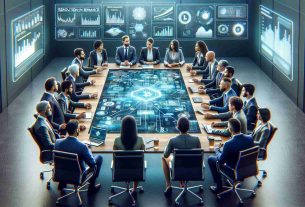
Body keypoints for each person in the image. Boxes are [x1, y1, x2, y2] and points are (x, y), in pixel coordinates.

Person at [55, 120, 103, 194]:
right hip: (78, 176)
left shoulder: (57, 142)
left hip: (61, 173)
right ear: (76, 130)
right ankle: (91, 188)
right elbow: (92, 164)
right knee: (99, 158)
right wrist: (88, 150)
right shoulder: (82, 147)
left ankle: (62, 184)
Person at [208, 118, 254, 193]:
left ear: (230, 130)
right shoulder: (250, 138)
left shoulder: (228, 144)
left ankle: (219, 187)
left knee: (210, 159)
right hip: (247, 169)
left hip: (233, 171)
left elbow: (220, 161)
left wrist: (217, 149)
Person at [162, 117, 201, 196]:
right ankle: (182, 181)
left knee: (163, 158)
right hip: (193, 169)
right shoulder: (196, 139)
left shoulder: (173, 140)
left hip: (178, 169)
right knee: (186, 160)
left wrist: (166, 148)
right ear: (189, 127)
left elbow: (166, 155)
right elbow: (199, 156)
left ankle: (168, 185)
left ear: (177, 127)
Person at [113, 115, 145, 195]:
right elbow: (143, 152)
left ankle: (127, 182)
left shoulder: (116, 141)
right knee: (138, 163)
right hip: (136, 170)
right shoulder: (140, 140)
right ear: (135, 127)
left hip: (121, 169)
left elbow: (114, 155)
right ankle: (134, 189)